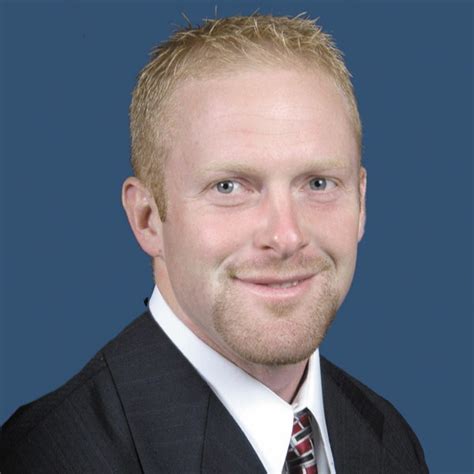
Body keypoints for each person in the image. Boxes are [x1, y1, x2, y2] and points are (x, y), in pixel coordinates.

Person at [0, 14, 428, 473]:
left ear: (361, 202)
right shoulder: (47, 457)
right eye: (229, 187)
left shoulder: (388, 440)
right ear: (147, 219)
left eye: (318, 183)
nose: (286, 237)